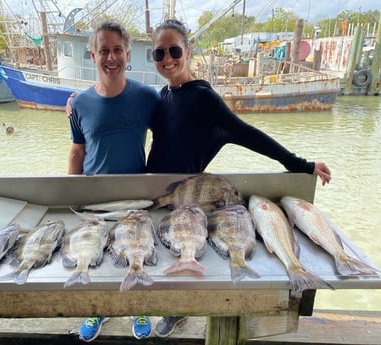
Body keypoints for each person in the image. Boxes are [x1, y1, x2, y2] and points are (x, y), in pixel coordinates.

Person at [146, 19, 331, 338]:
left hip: (188, 197)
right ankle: (166, 303)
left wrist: (300, 163)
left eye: (174, 50)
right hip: (155, 192)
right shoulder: (163, 94)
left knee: (185, 254)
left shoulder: (204, 97)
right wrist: (76, 106)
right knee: (160, 255)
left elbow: (247, 133)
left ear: (188, 52)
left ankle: (177, 309)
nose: (167, 59)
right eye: (159, 53)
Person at [67, 20, 160, 341]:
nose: (111, 57)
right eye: (103, 50)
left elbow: (178, 120)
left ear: (127, 53)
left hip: (136, 195)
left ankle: (139, 305)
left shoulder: (148, 97)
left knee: (136, 253)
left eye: (117, 50)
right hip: (94, 196)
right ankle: (97, 310)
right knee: (94, 259)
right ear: (92, 55)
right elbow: (77, 152)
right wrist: (71, 193)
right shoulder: (79, 104)